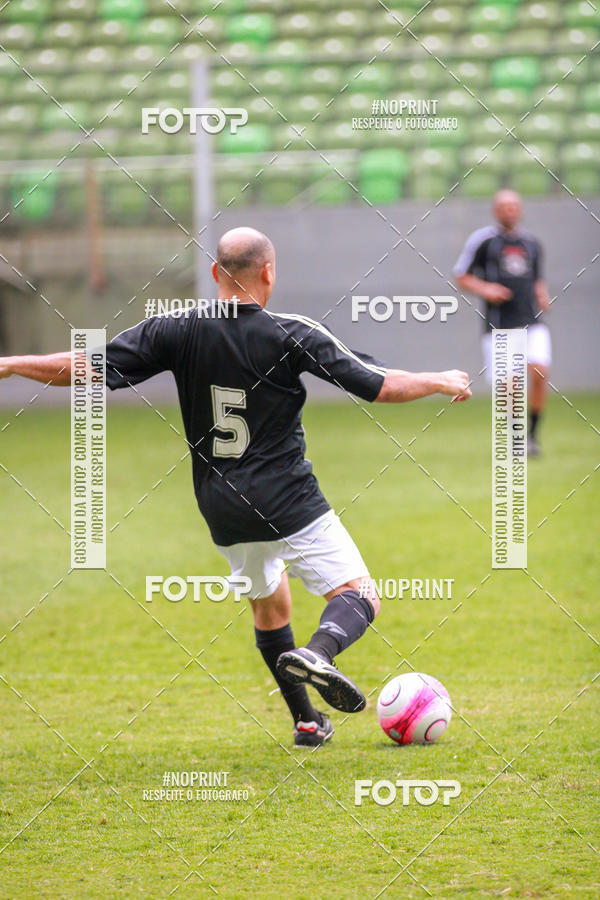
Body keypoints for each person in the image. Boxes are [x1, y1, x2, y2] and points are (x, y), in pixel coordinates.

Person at [0, 226, 471, 747]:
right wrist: (438, 379)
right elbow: (378, 384)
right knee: (361, 595)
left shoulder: (175, 329)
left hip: (222, 508)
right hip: (288, 499)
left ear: (214, 274)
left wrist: (11, 365)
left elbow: (85, 367)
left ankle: (308, 722)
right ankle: (319, 652)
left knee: (271, 609)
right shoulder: (289, 332)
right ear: (268, 272)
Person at [454, 190, 551, 456]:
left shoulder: (531, 243)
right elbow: (461, 276)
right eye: (504, 206)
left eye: (513, 206)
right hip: (500, 325)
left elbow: (537, 279)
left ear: (520, 210)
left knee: (540, 371)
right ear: (495, 210)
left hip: (532, 321)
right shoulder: (484, 241)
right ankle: (516, 434)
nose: (509, 210)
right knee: (509, 384)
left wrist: (542, 295)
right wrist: (486, 289)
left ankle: (532, 434)